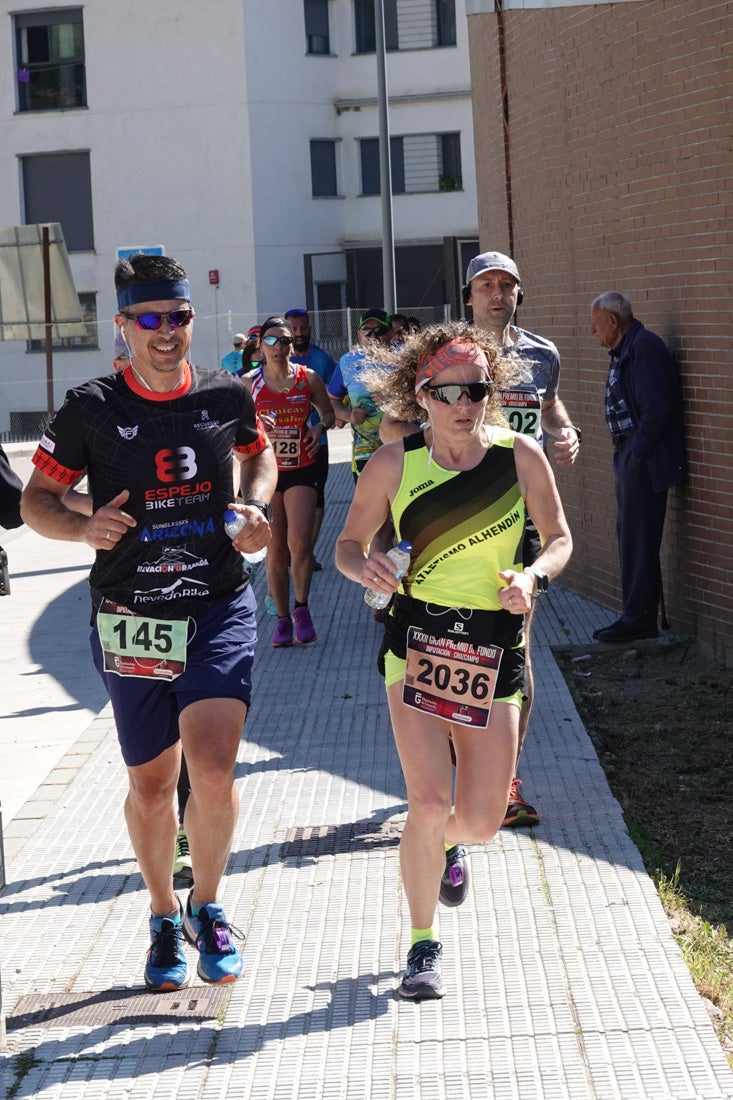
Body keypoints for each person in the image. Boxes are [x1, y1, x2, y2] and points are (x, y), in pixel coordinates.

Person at [21, 253, 277, 992]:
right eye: (151, 320)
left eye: (180, 317)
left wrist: (253, 509)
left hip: (217, 601)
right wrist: (82, 529)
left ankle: (210, 903)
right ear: (125, 327)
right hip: (132, 614)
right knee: (152, 783)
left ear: (194, 321)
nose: (167, 332)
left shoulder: (229, 392)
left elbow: (260, 462)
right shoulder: (91, 406)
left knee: (216, 763)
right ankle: (163, 913)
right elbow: (37, 499)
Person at [335, 323, 572, 999]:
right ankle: (420, 945)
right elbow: (347, 547)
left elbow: (557, 538)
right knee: (426, 798)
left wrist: (532, 579)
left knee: (480, 819)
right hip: (415, 643)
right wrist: (368, 570)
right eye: (448, 393)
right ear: (423, 394)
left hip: (493, 645)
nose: (463, 405)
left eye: (476, 390)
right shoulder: (393, 463)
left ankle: (444, 845)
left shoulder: (519, 455)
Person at [464, 250, 581, 827]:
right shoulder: (453, 353)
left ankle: (504, 779)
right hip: (459, 523)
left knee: (514, 644)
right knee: (459, 645)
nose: (497, 294)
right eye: (486, 285)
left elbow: (551, 406)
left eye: (506, 285)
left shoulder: (542, 354)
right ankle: (459, 763)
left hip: (524, 523)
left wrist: (566, 431)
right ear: (469, 296)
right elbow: (405, 423)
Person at [589, 292, 686, 642]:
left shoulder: (643, 348)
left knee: (638, 537)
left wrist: (637, 455)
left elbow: (657, 409)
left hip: (642, 458)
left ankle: (638, 619)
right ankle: (637, 614)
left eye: (596, 324)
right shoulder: (628, 348)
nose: (592, 331)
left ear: (613, 321)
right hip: (630, 455)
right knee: (630, 535)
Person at [242, 315, 335, 647]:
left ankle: (301, 607)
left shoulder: (307, 378)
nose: (278, 347)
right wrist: (254, 427)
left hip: (302, 467)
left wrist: (317, 428)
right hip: (267, 473)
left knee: (300, 544)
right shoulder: (248, 383)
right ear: (261, 346)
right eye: (271, 341)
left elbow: (329, 414)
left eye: (284, 341)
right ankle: (282, 620)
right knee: (276, 551)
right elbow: (234, 431)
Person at [286, 308, 337, 570]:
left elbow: (336, 396)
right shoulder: (276, 359)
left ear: (310, 328)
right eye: (293, 329)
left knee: (316, 502)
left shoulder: (322, 360)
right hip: (281, 446)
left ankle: (307, 552)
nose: (299, 333)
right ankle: (285, 552)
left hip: (317, 443)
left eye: (303, 328)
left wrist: (327, 422)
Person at [327, 308, 393, 480]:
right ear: (359, 335)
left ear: (391, 333)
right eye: (367, 331)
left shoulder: (405, 358)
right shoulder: (348, 361)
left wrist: (397, 400)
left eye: (380, 331)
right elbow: (331, 400)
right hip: (366, 452)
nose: (373, 337)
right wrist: (349, 416)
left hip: (402, 446)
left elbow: (426, 397)